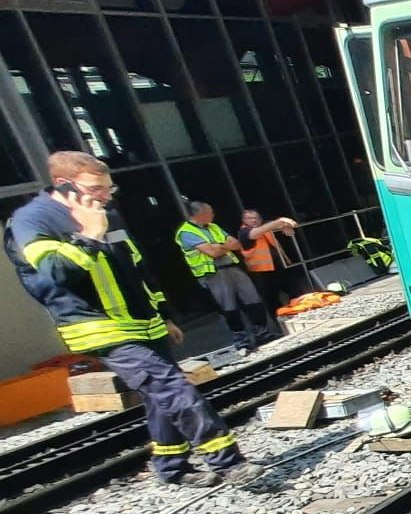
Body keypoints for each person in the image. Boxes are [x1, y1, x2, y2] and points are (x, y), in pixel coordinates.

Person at [6, 152, 262, 488]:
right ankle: (228, 462)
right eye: (96, 188)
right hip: (100, 329)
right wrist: (89, 237)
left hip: (145, 323)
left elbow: (139, 272)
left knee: (160, 398)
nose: (106, 195)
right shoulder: (33, 220)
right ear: (63, 184)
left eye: (109, 188)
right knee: (173, 388)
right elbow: (54, 273)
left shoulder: (106, 215)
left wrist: (164, 315)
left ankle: (172, 467)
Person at [177, 201, 276, 353]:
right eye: (210, 212)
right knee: (229, 307)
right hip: (214, 273)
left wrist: (218, 246)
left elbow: (236, 244)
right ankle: (241, 340)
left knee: (253, 300)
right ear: (200, 214)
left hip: (232, 267)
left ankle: (262, 333)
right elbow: (212, 252)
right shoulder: (187, 232)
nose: (213, 214)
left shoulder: (213, 227)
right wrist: (222, 245)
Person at [237, 209, 300, 311]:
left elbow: (289, 223)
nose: (254, 220)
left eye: (256, 218)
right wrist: (280, 221)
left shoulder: (266, 227)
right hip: (262, 273)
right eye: (250, 218)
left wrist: (286, 225)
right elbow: (255, 233)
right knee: (273, 302)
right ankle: (281, 322)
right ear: (243, 220)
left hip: (280, 266)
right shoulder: (243, 232)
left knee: (296, 293)